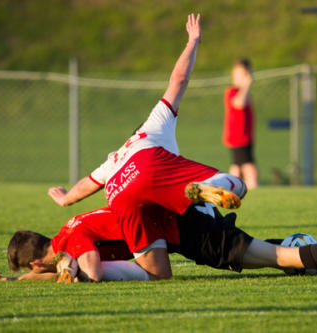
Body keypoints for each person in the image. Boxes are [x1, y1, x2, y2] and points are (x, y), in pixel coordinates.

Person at [47, 14, 247, 280]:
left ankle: (80, 270)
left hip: (131, 200)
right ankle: (215, 186)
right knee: (240, 186)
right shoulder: (155, 124)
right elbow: (178, 81)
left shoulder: (117, 157)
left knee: (156, 273)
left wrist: (65, 199)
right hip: (158, 175)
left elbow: (88, 183)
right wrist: (193, 42)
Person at [0, 204, 317, 283]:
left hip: (190, 234)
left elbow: (90, 270)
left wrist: (66, 272)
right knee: (271, 255)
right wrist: (13, 283)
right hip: (191, 228)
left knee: (286, 258)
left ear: (37, 262)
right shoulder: (69, 228)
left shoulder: (72, 239)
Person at [222, 59, 258, 189]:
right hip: (238, 137)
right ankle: (252, 187)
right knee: (249, 166)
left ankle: (231, 188)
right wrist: (246, 85)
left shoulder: (245, 94)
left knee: (237, 166)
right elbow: (239, 103)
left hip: (245, 136)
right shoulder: (232, 91)